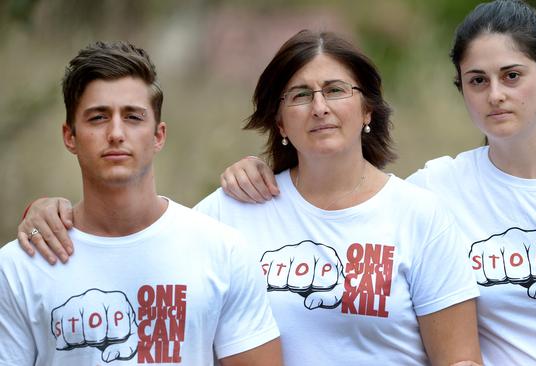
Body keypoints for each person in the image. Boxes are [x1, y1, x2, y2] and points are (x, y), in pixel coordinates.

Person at [115, 1, 536, 365]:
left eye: (512, 76)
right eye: (477, 81)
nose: (496, 95)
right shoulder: (438, 188)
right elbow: (146, 256)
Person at [15, 32, 482, 365]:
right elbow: (141, 239)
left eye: (336, 91)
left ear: (367, 109)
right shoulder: (232, 209)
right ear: (279, 122)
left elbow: (460, 359)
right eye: (299, 95)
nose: (319, 107)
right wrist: (46, 214)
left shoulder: (419, 214)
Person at [0, 41, 282, 366]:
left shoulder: (222, 250)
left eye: (133, 117)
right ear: (70, 136)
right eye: (97, 118)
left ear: (158, 135)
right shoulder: (19, 267)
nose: (116, 133)